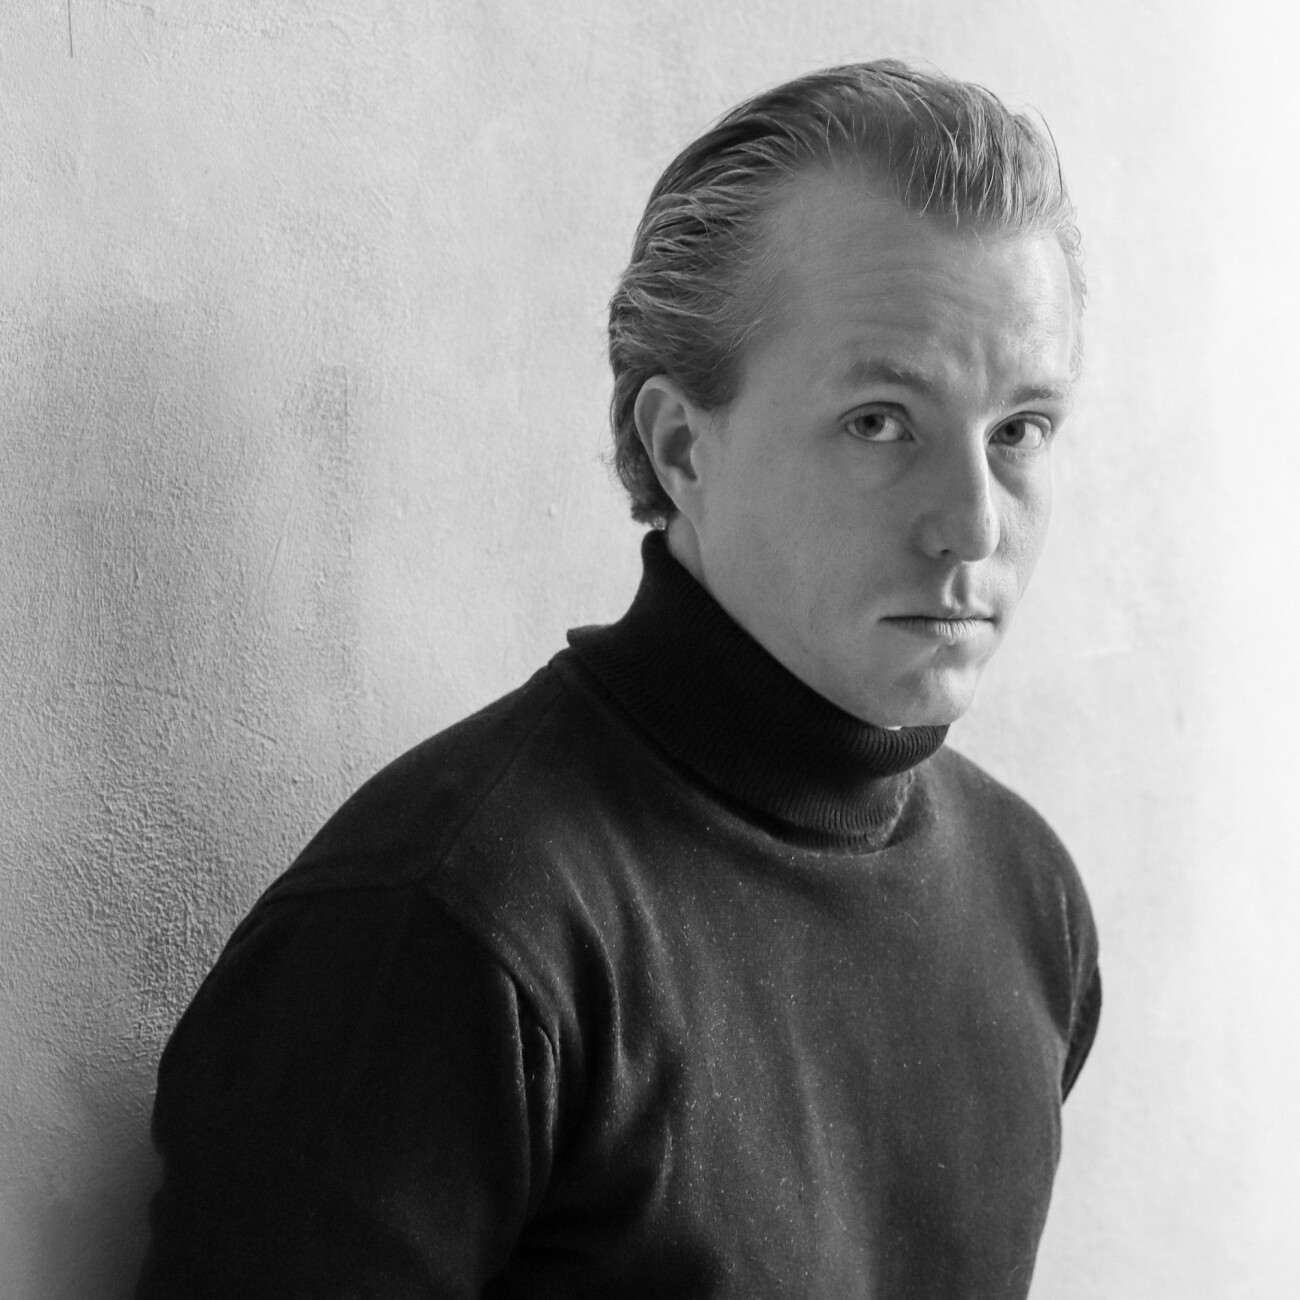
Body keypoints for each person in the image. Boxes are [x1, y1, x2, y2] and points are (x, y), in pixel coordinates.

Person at [136, 59, 1100, 1299]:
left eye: (1018, 431)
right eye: (879, 420)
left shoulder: (1027, 896)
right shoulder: (444, 926)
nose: (971, 523)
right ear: (680, 445)